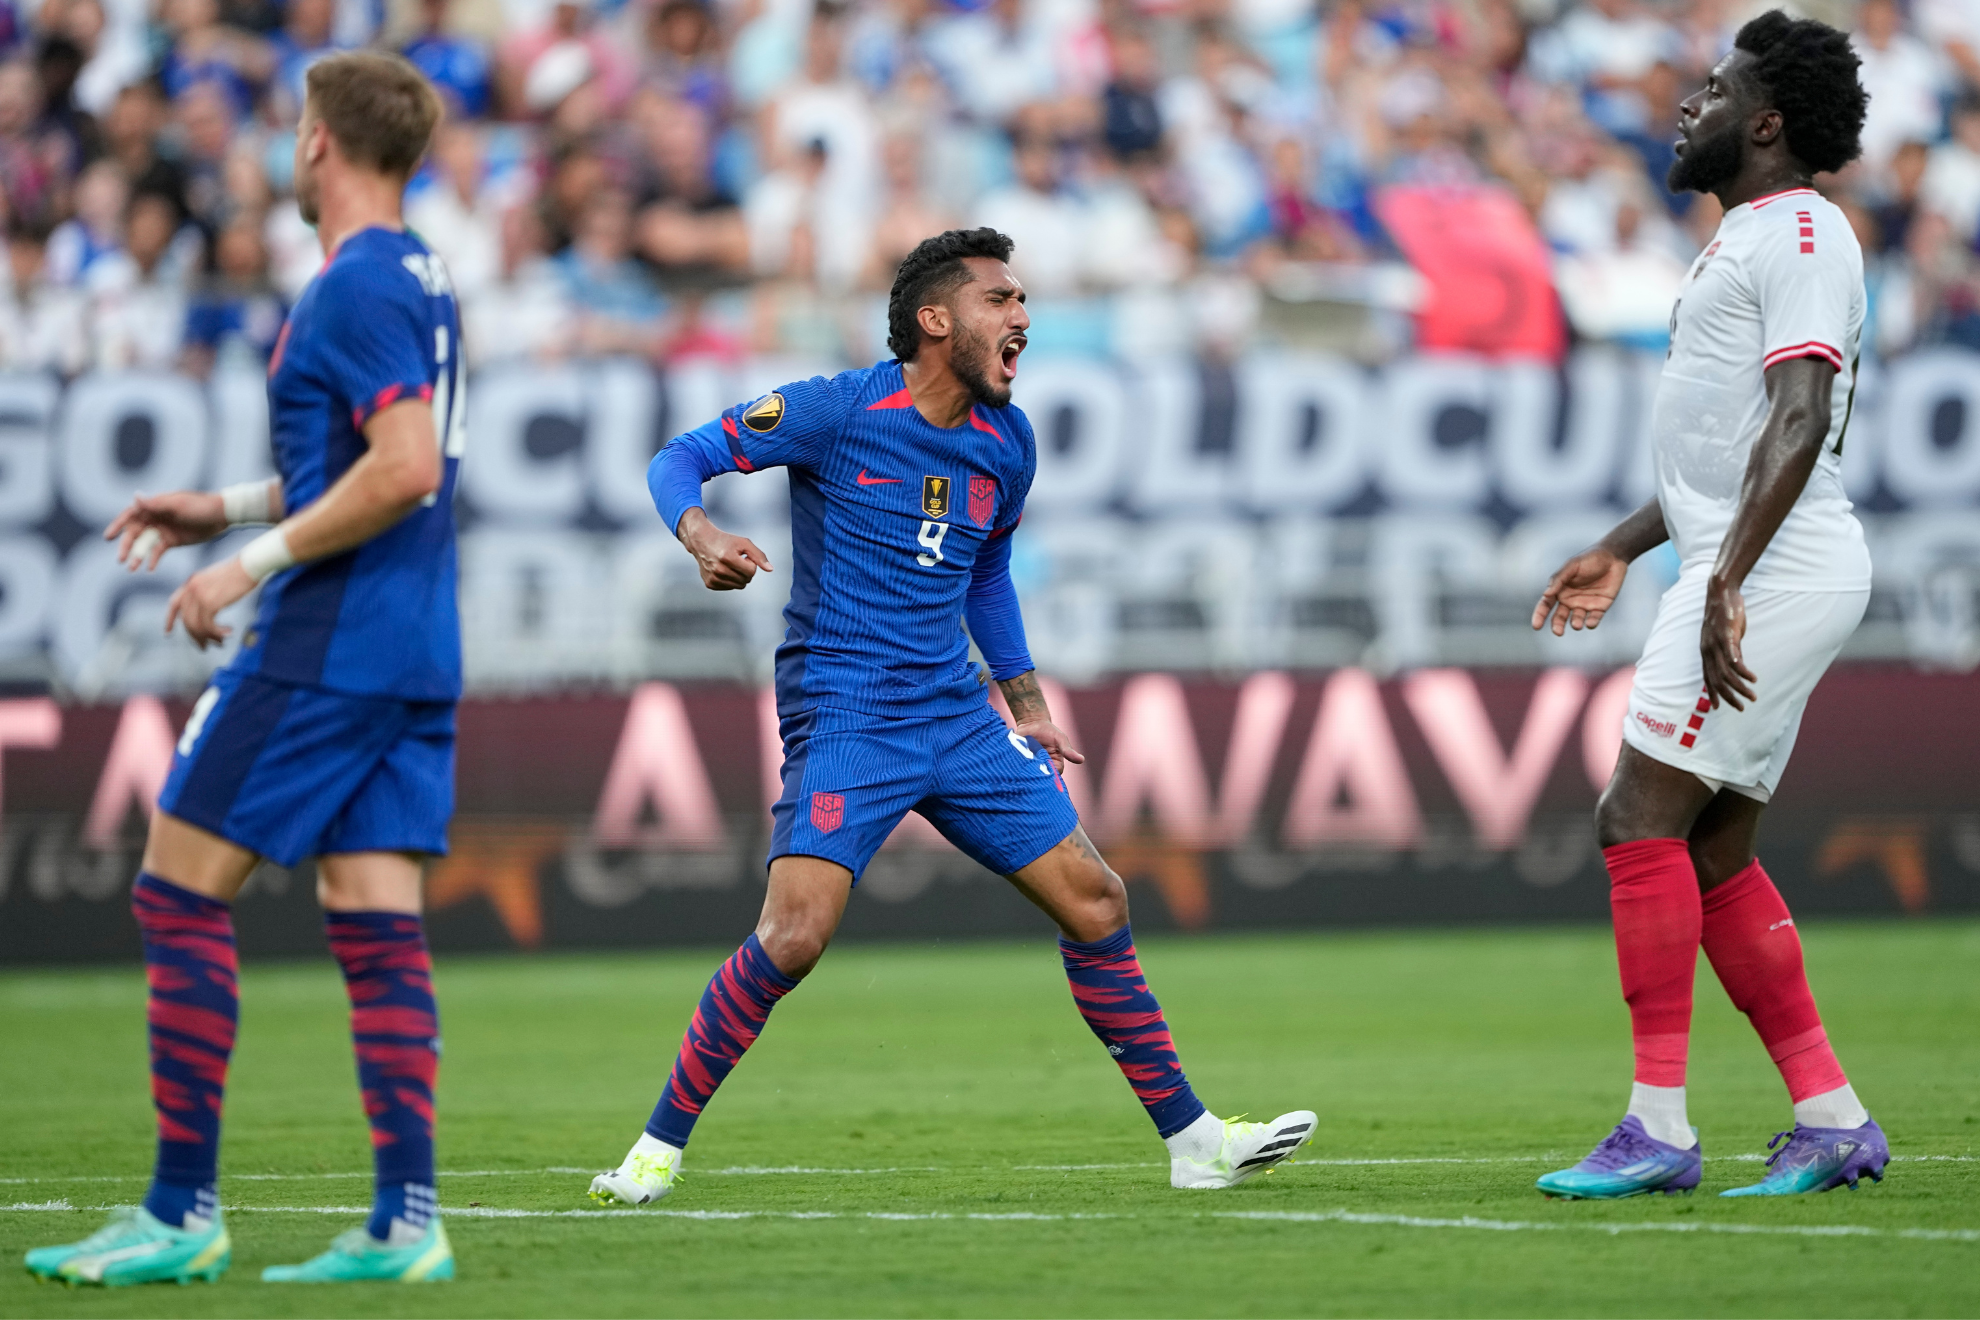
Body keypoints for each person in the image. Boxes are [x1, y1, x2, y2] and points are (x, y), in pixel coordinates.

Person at [586, 227, 1315, 1209]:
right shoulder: (839, 410)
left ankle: (1193, 1142)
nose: (1022, 317)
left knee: (1097, 901)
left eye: (1022, 302)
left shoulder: (1007, 444)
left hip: (958, 719)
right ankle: (653, 1153)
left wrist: (1029, 705)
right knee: (795, 938)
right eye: (1000, 300)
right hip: (846, 711)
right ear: (936, 320)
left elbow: (986, 574)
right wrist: (701, 530)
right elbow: (681, 457)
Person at [24, 52, 463, 1285]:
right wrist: (217, 509)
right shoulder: (422, 273)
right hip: (417, 642)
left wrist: (248, 564)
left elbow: (408, 466)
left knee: (175, 892)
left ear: (320, 142)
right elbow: (381, 460)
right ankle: (404, 1220)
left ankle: (179, 1211)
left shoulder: (354, 285)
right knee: (374, 920)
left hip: (330, 643)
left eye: (295, 126)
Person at [1531, 11, 1885, 1200]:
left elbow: (1797, 420)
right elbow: (1725, 442)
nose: (1692, 105)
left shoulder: (1796, 230)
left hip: (1770, 569)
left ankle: (1659, 1129)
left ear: (1769, 124)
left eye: (1718, 90)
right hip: (1751, 559)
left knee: (1637, 818)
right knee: (1712, 842)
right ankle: (1830, 1116)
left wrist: (1722, 577)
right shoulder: (1754, 236)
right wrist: (1631, 547)